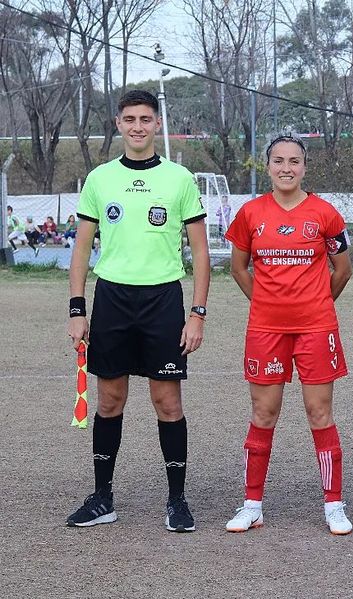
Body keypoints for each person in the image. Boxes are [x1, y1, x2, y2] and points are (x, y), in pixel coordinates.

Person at [65, 89, 210, 532]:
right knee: (110, 400)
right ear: (118, 124)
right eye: (130, 119)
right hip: (112, 300)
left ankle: (177, 500)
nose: (138, 126)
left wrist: (197, 313)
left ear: (158, 124)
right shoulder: (100, 179)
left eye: (146, 119)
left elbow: (201, 254)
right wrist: (77, 308)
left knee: (167, 401)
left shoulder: (179, 179)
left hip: (163, 301)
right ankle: (102, 497)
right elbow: (82, 248)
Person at [223, 133, 353, 535]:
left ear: (304, 166)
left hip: (316, 327)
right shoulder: (250, 213)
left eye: (293, 161)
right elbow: (239, 268)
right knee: (264, 413)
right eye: (278, 161)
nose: (286, 168)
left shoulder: (324, 213)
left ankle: (334, 504)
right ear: (268, 166)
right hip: (266, 328)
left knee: (319, 413)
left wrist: (317, 303)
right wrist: (264, 300)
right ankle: (252, 503)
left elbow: (343, 269)